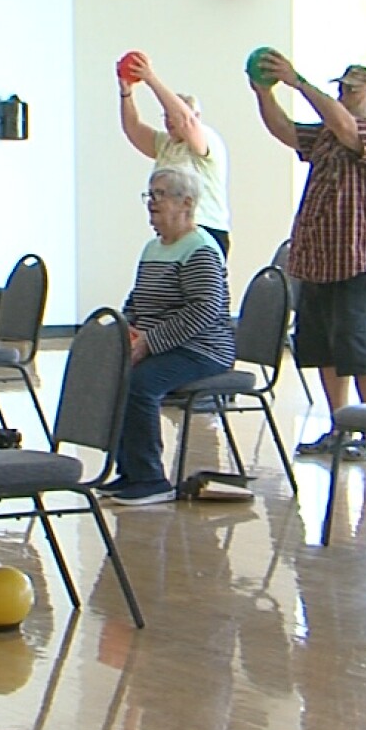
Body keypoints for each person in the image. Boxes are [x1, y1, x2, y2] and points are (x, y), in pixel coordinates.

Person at [249, 51, 366, 458]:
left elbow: (344, 125)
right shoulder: (327, 136)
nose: (343, 94)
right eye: (341, 88)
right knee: (322, 347)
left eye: (352, 89)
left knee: (360, 346)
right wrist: (264, 93)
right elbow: (284, 129)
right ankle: (343, 426)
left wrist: (297, 81)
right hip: (318, 259)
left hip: (356, 260)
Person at [104, 168, 237, 506]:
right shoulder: (153, 248)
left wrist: (149, 343)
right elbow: (136, 300)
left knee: (140, 383)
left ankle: (151, 479)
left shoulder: (200, 249)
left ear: (187, 203)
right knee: (116, 375)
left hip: (202, 348)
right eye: (150, 194)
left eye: (160, 194)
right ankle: (130, 472)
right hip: (163, 342)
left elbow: (203, 310)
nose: (152, 202)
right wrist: (126, 332)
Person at [118, 51, 233, 254]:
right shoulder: (165, 143)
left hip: (204, 231)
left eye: (173, 113)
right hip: (171, 230)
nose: (170, 120)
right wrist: (126, 93)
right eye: (166, 115)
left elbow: (185, 121)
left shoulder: (206, 139)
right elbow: (133, 128)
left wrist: (150, 78)